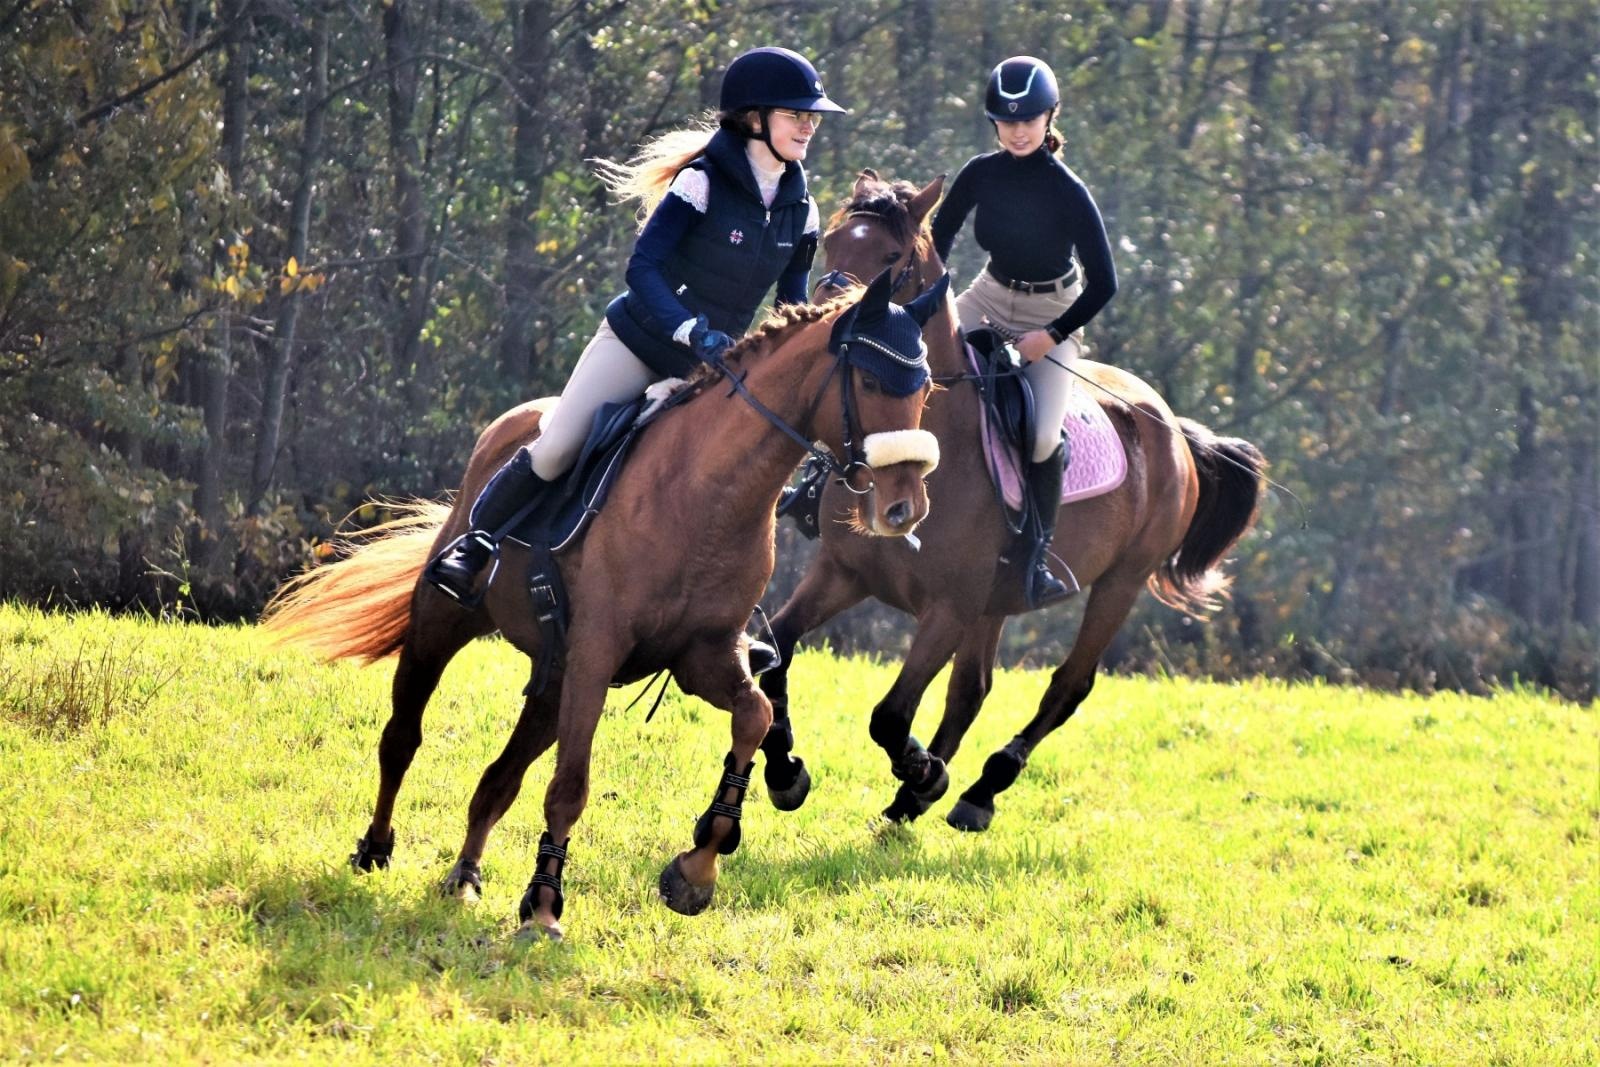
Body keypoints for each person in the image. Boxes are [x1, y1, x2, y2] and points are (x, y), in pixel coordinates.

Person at [426, 47, 846, 603]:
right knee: (556, 448)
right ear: (753, 119)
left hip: (712, 362)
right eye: (797, 115)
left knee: (738, 470)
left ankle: (731, 614)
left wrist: (808, 324)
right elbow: (641, 268)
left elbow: (789, 303)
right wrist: (689, 330)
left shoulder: (803, 209)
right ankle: (473, 544)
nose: (809, 125)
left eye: (812, 116)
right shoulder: (701, 183)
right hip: (639, 341)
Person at [929, 55, 1118, 608]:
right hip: (987, 294)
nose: (1017, 130)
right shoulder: (979, 172)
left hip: (1052, 309)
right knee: (915, 364)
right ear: (994, 123)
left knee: (1040, 436)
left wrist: (1053, 336)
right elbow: (938, 240)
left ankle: (1035, 557)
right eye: (1006, 121)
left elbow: (1105, 284)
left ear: (1049, 118)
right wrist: (933, 301)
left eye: (1028, 120)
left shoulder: (1067, 189)